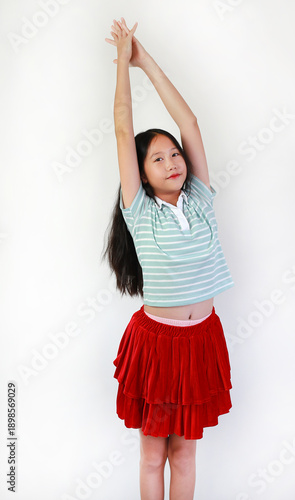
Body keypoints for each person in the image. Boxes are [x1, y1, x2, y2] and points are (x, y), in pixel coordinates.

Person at [103, 17, 234, 500]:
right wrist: (123, 61)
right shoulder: (140, 212)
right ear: (139, 173)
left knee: (185, 455)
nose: (172, 161)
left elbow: (190, 122)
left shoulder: (199, 198)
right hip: (158, 348)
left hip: (201, 341)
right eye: (157, 158)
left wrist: (147, 61)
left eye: (174, 154)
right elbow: (122, 127)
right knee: (154, 454)